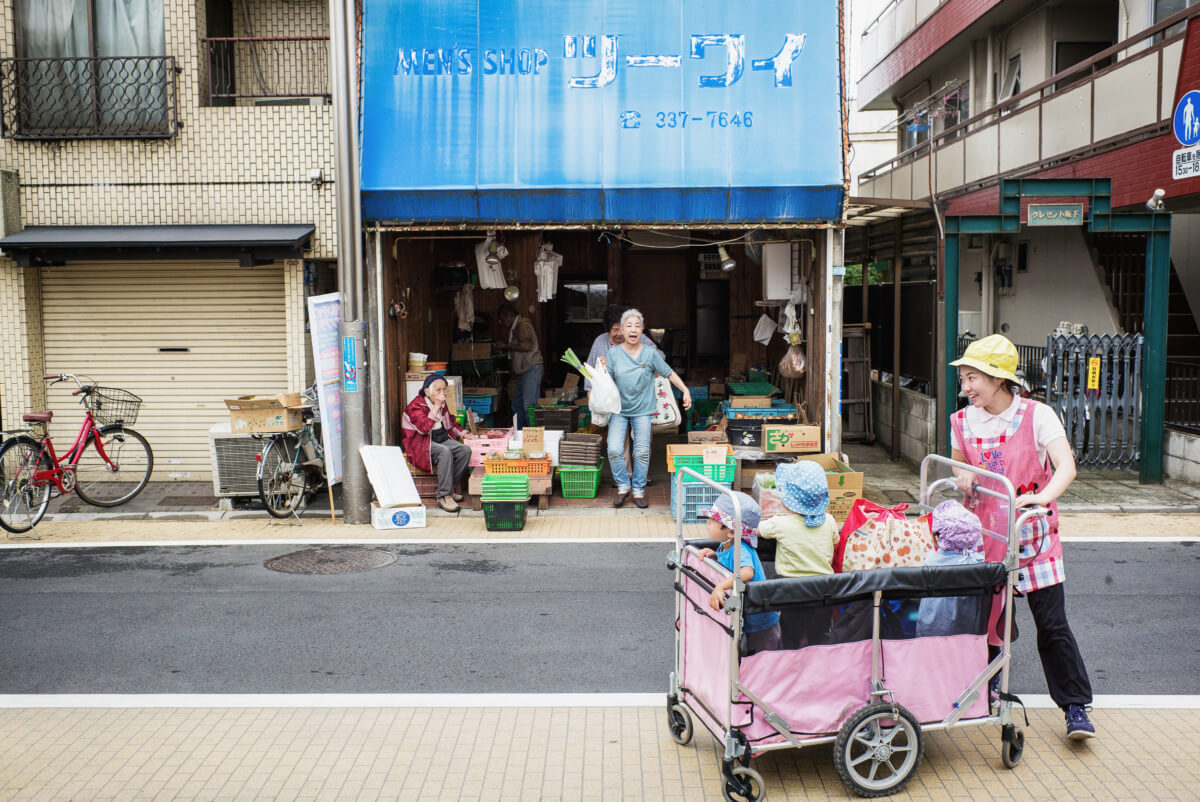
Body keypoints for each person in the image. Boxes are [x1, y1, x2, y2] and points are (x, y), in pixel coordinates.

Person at [950, 333, 1096, 741]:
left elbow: (1065, 465)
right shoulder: (961, 421)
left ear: (998, 379)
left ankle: (1075, 707)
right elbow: (958, 466)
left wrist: (1041, 498)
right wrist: (962, 477)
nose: (965, 388)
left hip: (1035, 539)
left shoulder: (1038, 415)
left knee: (1052, 625)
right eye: (963, 379)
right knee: (988, 621)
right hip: (987, 536)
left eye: (972, 378)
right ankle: (989, 691)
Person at [598, 309, 691, 508]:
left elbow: (669, 373)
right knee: (613, 448)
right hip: (618, 410)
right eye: (628, 326)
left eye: (637, 326)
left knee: (641, 452)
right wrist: (601, 370)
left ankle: (638, 490)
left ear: (642, 330)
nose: (633, 330)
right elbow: (608, 381)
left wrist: (685, 390)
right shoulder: (613, 353)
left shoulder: (650, 354)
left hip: (643, 410)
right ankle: (623, 486)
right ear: (622, 330)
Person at [759, 461, 839, 648]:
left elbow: (757, 531)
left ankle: (792, 665)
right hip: (823, 590)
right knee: (820, 635)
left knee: (791, 635)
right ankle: (817, 667)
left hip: (790, 589)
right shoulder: (829, 521)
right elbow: (835, 544)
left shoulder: (780, 523)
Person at [695, 491, 781, 655]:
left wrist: (720, 586)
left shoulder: (741, 548)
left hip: (760, 619)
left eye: (713, 520)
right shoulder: (724, 546)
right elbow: (728, 561)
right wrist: (714, 555)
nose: (708, 523)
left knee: (764, 659)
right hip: (744, 614)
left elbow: (747, 572)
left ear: (732, 532)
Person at [585, 304, 659, 485]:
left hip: (640, 400)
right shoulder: (600, 342)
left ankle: (641, 476)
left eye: (622, 328)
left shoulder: (640, 339)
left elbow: (660, 358)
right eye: (614, 329)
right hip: (614, 401)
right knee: (619, 442)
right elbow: (590, 372)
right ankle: (625, 476)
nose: (619, 334)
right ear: (607, 329)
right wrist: (591, 399)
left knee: (642, 440)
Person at [400, 374, 471, 513]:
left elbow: (451, 422)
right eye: (438, 390)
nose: (442, 393)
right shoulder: (415, 407)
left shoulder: (443, 405)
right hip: (420, 443)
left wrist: (464, 434)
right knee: (445, 452)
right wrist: (436, 407)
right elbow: (424, 428)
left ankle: (449, 490)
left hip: (440, 438)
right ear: (427, 391)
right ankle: (443, 495)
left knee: (465, 450)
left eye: (444, 390)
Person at [916, 500, 985, 638]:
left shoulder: (931, 561)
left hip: (931, 630)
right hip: (968, 630)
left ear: (938, 537)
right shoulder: (977, 563)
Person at [494, 303, 542, 430]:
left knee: (529, 406)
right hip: (522, 371)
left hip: (531, 368)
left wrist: (506, 346)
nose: (502, 322)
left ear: (509, 316)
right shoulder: (515, 327)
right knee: (516, 405)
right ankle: (520, 434)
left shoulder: (523, 326)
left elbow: (527, 346)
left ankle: (533, 436)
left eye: (503, 319)